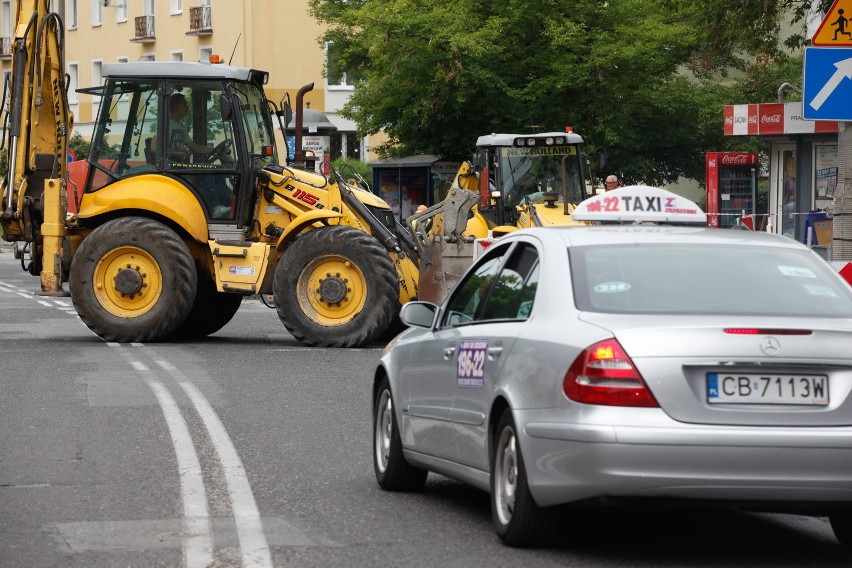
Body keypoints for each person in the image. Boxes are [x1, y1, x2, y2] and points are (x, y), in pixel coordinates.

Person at [168, 93, 215, 161]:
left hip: (178, 166)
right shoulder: (165, 125)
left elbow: (194, 147)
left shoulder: (182, 127)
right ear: (175, 107)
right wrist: (178, 153)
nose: (187, 107)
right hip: (168, 166)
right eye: (184, 105)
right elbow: (154, 149)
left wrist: (214, 150)